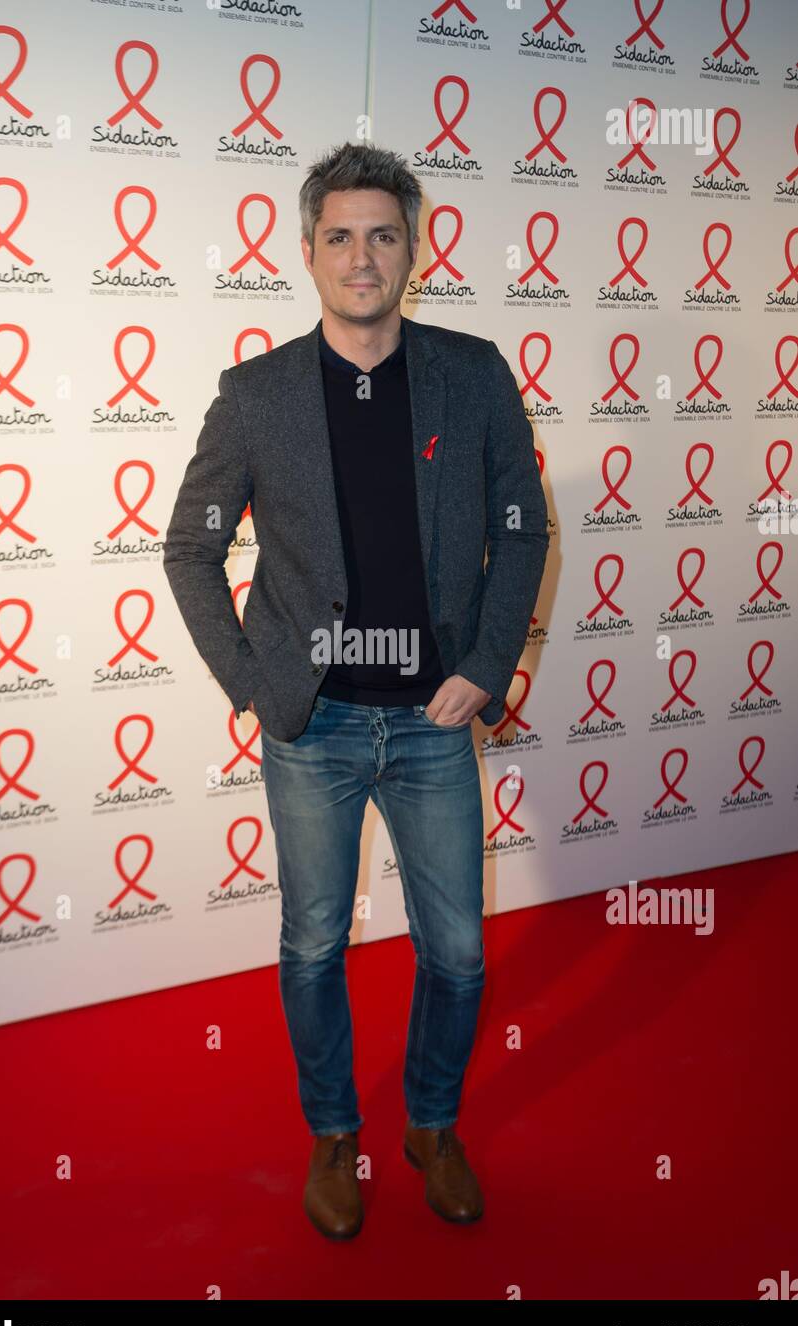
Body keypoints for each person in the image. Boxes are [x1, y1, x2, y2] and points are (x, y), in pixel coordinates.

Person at [163, 141, 548, 1240]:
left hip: (435, 720)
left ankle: (431, 1122)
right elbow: (189, 550)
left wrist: (484, 661)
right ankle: (336, 1134)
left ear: (413, 248)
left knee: (459, 951)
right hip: (315, 724)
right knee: (313, 942)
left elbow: (524, 526)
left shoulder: (471, 373)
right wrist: (252, 680)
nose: (362, 255)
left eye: (384, 233)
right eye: (340, 236)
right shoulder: (255, 395)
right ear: (309, 251)